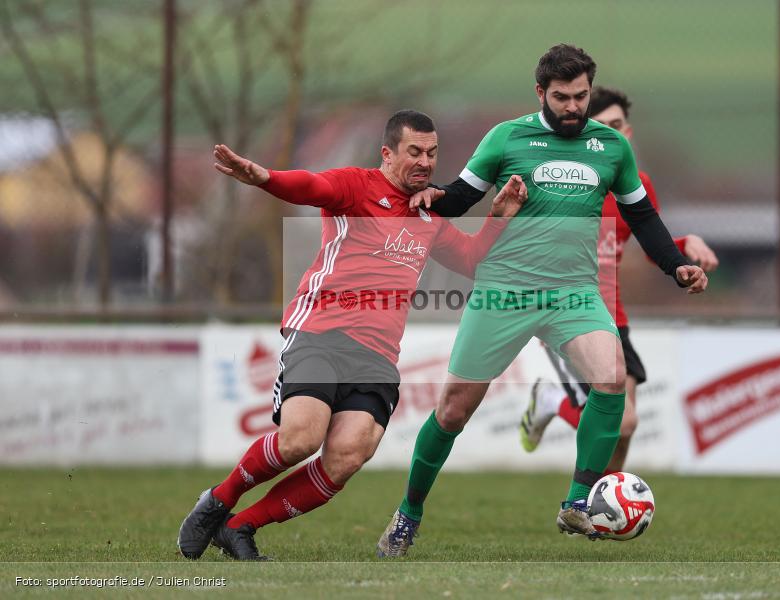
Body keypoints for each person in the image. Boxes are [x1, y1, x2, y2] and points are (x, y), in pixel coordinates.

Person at [376, 45, 708, 558]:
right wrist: (429, 197)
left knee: (611, 378)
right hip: (503, 290)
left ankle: (577, 501)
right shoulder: (506, 137)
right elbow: (461, 195)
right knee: (453, 411)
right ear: (540, 93)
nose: (573, 106)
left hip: (574, 293)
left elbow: (642, 216)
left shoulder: (611, 148)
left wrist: (675, 265)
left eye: (581, 96)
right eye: (561, 97)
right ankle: (407, 515)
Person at [177, 110, 527, 561]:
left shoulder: (429, 215)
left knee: (347, 455)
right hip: (320, 331)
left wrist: (498, 217)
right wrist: (266, 178)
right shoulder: (357, 186)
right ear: (387, 154)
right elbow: (310, 186)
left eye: (432, 153)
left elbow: (472, 261)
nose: (425, 162)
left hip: (376, 356)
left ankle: (240, 527)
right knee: (300, 439)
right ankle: (218, 500)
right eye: (414, 152)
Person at [519, 86, 719, 473]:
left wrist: (684, 247)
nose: (615, 133)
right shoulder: (561, 180)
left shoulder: (635, 184)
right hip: (566, 318)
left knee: (624, 431)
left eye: (620, 125)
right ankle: (553, 403)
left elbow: (652, 246)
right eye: (604, 126)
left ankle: (599, 505)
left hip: (614, 319)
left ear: (628, 131)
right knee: (620, 421)